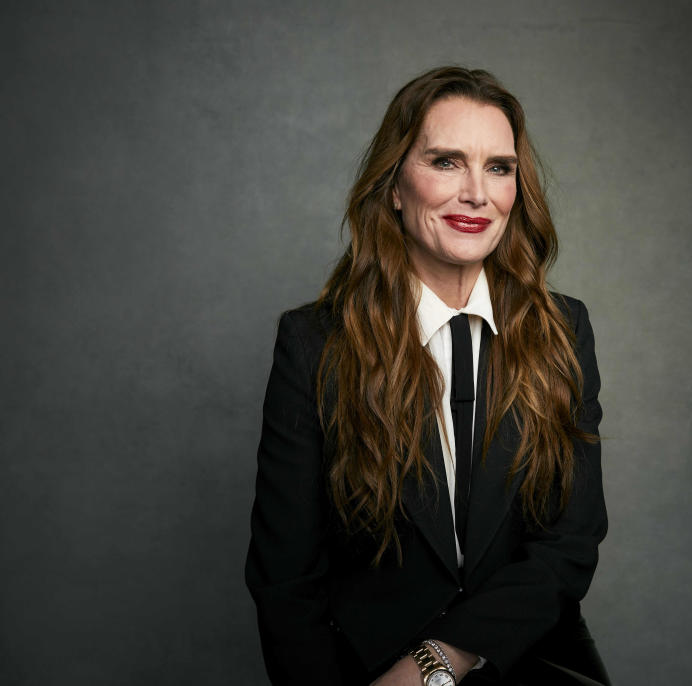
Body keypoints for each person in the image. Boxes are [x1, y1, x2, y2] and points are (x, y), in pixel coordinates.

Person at [245, 66, 610, 686]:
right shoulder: (314, 343)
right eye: (446, 162)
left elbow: (568, 543)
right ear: (393, 185)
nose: (476, 193)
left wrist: (438, 663)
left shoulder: (562, 328)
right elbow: (286, 578)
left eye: (499, 167)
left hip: (527, 664)